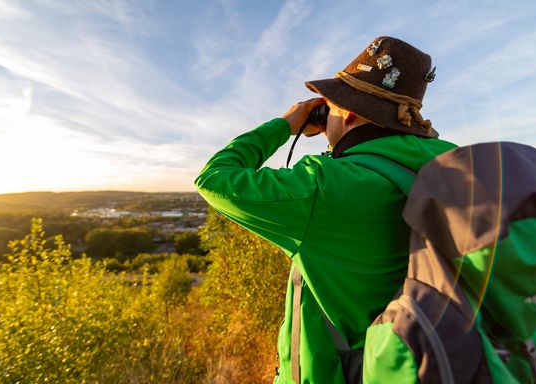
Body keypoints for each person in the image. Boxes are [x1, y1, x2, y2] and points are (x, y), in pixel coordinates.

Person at [195, 36, 457, 383]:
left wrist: (285, 125)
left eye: (331, 104)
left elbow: (214, 178)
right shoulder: (451, 163)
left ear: (346, 112)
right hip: (437, 361)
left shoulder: (325, 186)